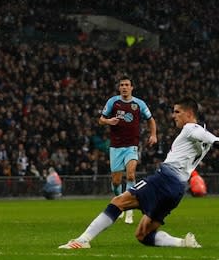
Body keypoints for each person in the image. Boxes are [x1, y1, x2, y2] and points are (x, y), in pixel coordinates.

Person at [59, 97, 214, 249]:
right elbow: (214, 140)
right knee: (143, 235)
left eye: (177, 112)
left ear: (189, 114)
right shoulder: (203, 133)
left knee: (118, 202)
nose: (173, 115)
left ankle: (83, 240)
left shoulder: (191, 128)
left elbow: (210, 139)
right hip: (178, 189)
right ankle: (183, 243)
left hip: (164, 180)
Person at [99, 76, 157, 224]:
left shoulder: (139, 103)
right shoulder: (113, 101)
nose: (124, 87)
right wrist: (108, 121)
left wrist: (153, 135)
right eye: (122, 85)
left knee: (131, 176)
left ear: (132, 88)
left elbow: (151, 119)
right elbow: (101, 119)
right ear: (119, 88)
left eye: (127, 85)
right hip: (116, 147)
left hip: (132, 145)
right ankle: (119, 202)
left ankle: (129, 210)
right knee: (116, 181)